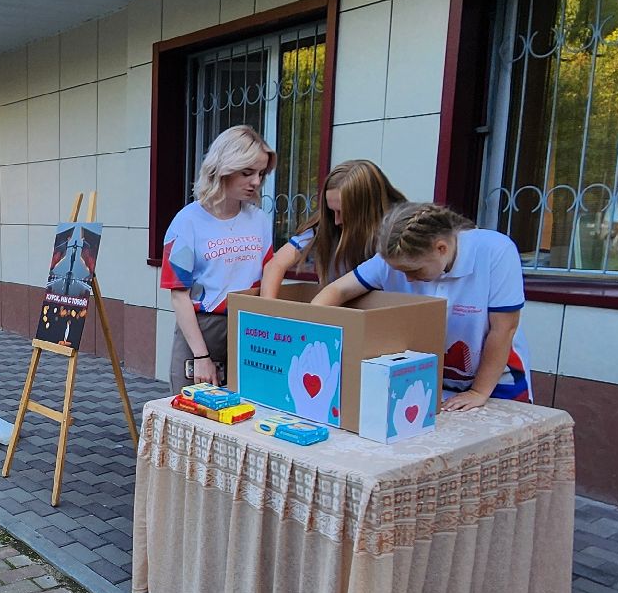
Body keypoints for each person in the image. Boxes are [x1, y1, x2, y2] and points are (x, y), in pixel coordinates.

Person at [313, 202, 531, 411]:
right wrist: (311, 331)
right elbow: (337, 291)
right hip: (429, 379)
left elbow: (504, 329)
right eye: (401, 272)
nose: (408, 278)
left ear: (441, 248)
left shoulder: (495, 251)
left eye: (414, 271)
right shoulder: (394, 258)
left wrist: (479, 392)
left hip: (497, 383)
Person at [161, 125, 276, 387]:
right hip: (202, 330)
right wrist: (201, 356)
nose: (256, 182)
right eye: (247, 172)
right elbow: (179, 294)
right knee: (191, 408)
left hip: (249, 329)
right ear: (223, 167)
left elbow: (269, 275)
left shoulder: (259, 220)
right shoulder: (187, 222)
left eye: (261, 173)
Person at [260, 159, 406, 298]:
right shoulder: (323, 226)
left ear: (365, 209)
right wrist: (267, 310)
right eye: (331, 211)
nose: (336, 221)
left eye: (343, 212)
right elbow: (275, 265)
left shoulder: (397, 232)